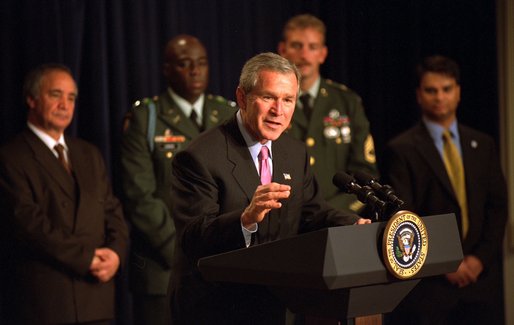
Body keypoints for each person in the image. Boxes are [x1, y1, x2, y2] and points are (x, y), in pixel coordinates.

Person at [169, 52, 371, 325]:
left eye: (288, 100)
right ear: (242, 98)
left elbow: (312, 213)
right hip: (217, 308)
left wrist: (354, 224)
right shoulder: (200, 157)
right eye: (268, 97)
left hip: (277, 306)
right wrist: (246, 219)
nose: (279, 110)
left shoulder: (294, 152)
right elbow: (192, 237)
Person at [120, 34, 236, 325]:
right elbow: (139, 196)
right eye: (185, 64)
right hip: (164, 267)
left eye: (201, 63)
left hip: (220, 266)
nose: (195, 70)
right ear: (167, 69)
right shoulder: (146, 117)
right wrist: (186, 249)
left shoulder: (228, 113)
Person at [382, 55, 507, 324]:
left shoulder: (482, 144)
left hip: (481, 281)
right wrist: (444, 264)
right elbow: (405, 216)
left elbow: (497, 207)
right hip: (429, 288)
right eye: (431, 90)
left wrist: (478, 260)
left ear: (458, 92)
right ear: (419, 95)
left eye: (447, 89)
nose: (440, 97)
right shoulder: (401, 149)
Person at [0, 63, 128, 324]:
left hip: (97, 299)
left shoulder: (88, 154)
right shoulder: (11, 157)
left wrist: (115, 254)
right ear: (32, 99)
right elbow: (30, 226)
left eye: (71, 97)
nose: (65, 104)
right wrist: (87, 258)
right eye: (55, 95)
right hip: (48, 303)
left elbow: (113, 212)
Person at [278, 14, 378, 213]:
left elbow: (365, 172)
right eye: (297, 46)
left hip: (340, 219)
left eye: (312, 47)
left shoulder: (347, 101)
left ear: (323, 54)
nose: (304, 55)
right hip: (286, 220)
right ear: (282, 50)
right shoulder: (271, 103)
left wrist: (330, 213)